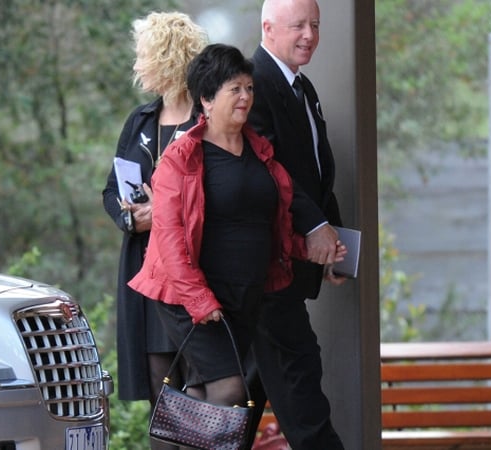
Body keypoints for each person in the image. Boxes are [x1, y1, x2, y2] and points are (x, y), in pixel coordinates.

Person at [128, 42, 342, 425]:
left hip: (242, 297)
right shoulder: (182, 158)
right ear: (206, 100)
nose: (246, 97)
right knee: (230, 391)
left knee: (197, 395)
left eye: (249, 88)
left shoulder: (261, 153)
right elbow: (170, 239)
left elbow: (267, 227)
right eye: (235, 90)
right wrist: (199, 300)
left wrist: (305, 249)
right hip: (191, 298)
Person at [100, 12, 207, 450]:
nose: (137, 65)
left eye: (143, 55)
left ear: (166, 58)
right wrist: (130, 217)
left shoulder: (208, 120)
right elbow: (111, 191)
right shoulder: (140, 121)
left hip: (192, 277)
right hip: (145, 276)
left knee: (202, 391)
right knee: (160, 396)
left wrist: (162, 214)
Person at [244, 0, 346, 448]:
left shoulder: (302, 87)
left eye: (316, 25)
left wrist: (337, 240)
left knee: (242, 397)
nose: (310, 34)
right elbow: (271, 169)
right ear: (267, 27)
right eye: (299, 25)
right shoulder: (253, 85)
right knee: (301, 384)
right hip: (268, 267)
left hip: (286, 266)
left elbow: (315, 174)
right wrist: (316, 226)